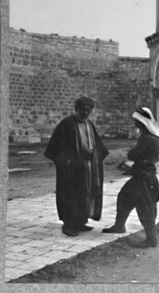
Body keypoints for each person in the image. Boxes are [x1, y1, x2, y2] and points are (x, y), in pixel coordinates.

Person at [44, 97, 109, 237]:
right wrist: (66, 162)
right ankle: (68, 224)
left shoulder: (89, 124)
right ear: (76, 109)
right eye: (82, 110)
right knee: (71, 195)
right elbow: (56, 147)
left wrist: (94, 155)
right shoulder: (67, 124)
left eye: (88, 111)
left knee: (85, 195)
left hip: (88, 167)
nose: (85, 113)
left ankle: (80, 221)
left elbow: (97, 145)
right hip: (71, 169)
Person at [103, 107, 159, 248]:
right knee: (124, 197)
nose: (135, 123)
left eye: (137, 121)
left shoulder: (148, 138)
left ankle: (151, 239)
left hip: (144, 177)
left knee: (145, 208)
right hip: (141, 175)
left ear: (143, 122)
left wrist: (132, 154)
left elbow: (133, 155)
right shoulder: (148, 137)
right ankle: (119, 226)